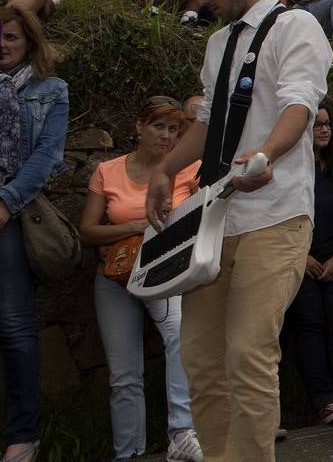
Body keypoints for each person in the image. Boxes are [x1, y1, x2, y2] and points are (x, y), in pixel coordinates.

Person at [143, 0, 332, 461]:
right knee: (201, 358)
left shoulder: (297, 25)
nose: (202, 2)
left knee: (249, 351)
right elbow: (209, 121)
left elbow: (300, 105)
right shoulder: (219, 42)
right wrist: (167, 168)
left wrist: (266, 156)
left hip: (275, 215)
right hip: (216, 217)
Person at [77, 98, 204, 462]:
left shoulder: (189, 168)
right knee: (122, 373)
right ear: (138, 127)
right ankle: (129, 452)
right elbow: (87, 230)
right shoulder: (108, 170)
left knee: (179, 338)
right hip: (115, 276)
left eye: (173, 129)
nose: (166, 136)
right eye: (158, 126)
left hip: (166, 271)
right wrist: (137, 226)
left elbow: (203, 217)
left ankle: (182, 431)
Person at [0, 7, 69, 462]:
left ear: (28, 41)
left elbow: (47, 155)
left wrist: (6, 201)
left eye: (9, 37)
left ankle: (22, 436)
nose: (2, 45)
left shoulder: (51, 90)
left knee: (14, 325)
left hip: (11, 214)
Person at [285, 104, 333, 426]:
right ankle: (323, 400)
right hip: (300, 260)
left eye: (328, 124)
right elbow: (283, 217)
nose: (324, 130)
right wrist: (303, 257)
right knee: (310, 326)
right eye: (317, 125)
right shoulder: (291, 169)